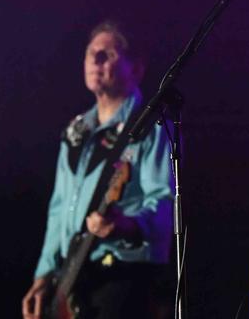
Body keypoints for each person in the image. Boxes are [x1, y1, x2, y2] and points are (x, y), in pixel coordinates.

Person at [22, 21, 174, 319]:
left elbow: (166, 204)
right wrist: (44, 276)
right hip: (74, 278)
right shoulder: (75, 132)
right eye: (91, 53)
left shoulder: (152, 128)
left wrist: (126, 225)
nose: (95, 59)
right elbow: (59, 210)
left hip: (122, 275)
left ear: (137, 68)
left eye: (109, 53)